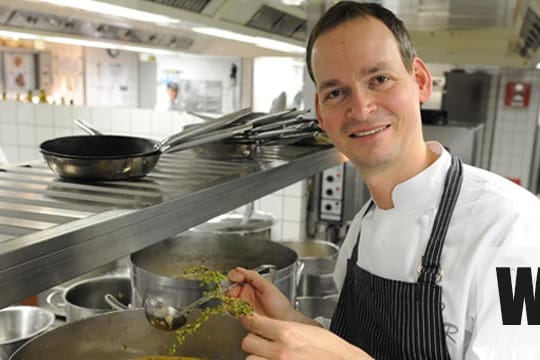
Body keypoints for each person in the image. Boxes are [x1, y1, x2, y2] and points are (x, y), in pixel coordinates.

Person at [227, 2, 540, 359]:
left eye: (379, 79)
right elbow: (362, 350)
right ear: (322, 115)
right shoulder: (359, 230)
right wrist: (289, 320)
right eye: (336, 92)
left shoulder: (517, 230)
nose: (361, 108)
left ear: (420, 80)